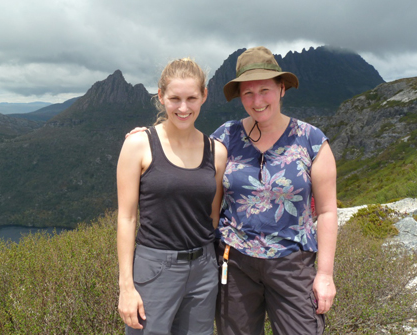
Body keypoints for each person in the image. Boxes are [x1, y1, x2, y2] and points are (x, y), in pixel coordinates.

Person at [212, 46, 337, 334]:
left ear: (282, 89)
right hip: (235, 263)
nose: (257, 101)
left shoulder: (311, 141)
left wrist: (325, 275)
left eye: (265, 90)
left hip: (293, 263)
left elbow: (328, 211)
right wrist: (147, 138)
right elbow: (190, 165)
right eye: (248, 93)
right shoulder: (225, 137)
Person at [116, 58, 227, 335]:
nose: (183, 107)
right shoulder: (139, 145)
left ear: (204, 96)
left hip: (204, 270)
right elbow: (127, 218)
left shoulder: (217, 152)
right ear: (161, 96)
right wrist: (126, 286)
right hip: (155, 268)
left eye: (191, 98)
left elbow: (212, 215)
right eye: (175, 98)